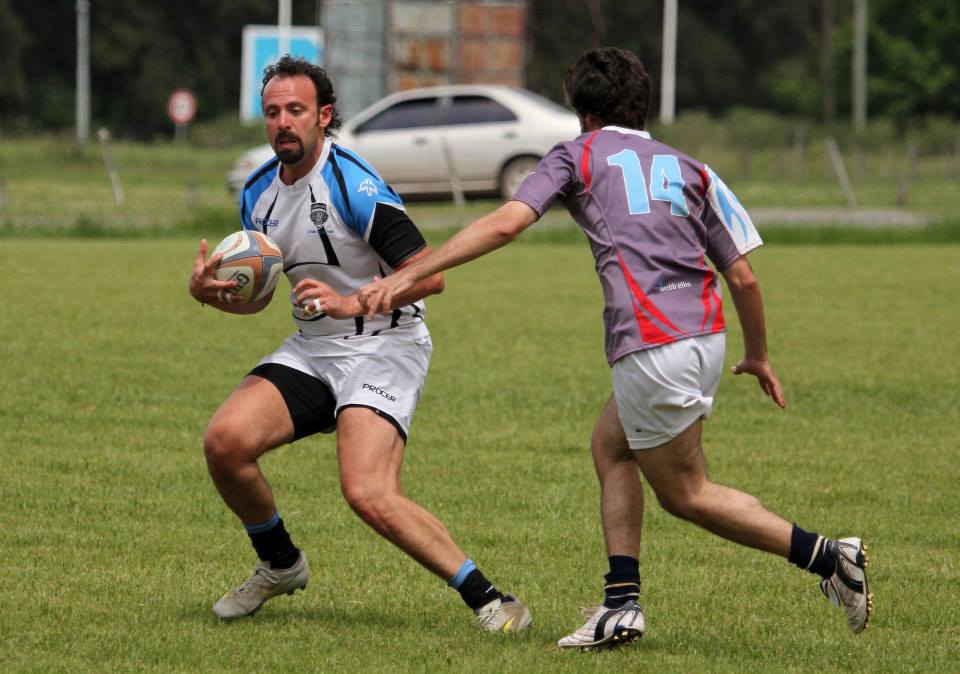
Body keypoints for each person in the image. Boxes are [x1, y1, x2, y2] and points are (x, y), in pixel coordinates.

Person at [358, 47, 872, 649]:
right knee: (611, 444)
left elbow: (505, 223)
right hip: (704, 336)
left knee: (687, 494)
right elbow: (745, 277)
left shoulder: (575, 155)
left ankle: (830, 558)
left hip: (652, 341)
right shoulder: (691, 166)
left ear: (581, 113)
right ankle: (620, 605)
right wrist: (758, 354)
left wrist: (405, 276)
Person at [187, 55, 531, 632]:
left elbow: (431, 275)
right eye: (272, 112)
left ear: (323, 116)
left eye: (296, 111)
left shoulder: (354, 183)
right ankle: (280, 564)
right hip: (315, 349)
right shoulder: (256, 193)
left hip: (385, 344)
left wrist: (353, 301)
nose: (282, 123)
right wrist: (210, 292)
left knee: (367, 490)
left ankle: (494, 600)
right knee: (224, 443)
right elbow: (262, 296)